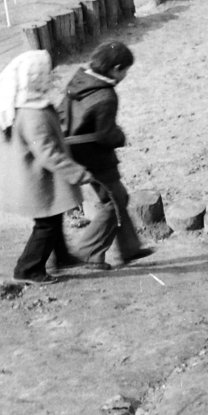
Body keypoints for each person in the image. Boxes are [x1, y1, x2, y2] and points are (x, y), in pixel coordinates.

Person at [0, 50, 103, 282]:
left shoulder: (16, 102)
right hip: (36, 180)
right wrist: (77, 173)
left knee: (55, 215)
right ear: (36, 78)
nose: (50, 78)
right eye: (46, 74)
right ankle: (28, 268)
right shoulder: (32, 115)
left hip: (31, 175)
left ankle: (61, 257)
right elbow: (47, 153)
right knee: (47, 224)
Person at [62, 41, 153, 267]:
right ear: (116, 67)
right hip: (97, 158)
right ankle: (87, 252)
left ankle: (130, 248)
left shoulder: (79, 81)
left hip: (76, 152)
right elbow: (105, 135)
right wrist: (120, 136)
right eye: (125, 70)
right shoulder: (106, 96)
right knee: (113, 202)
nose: (125, 75)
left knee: (119, 198)